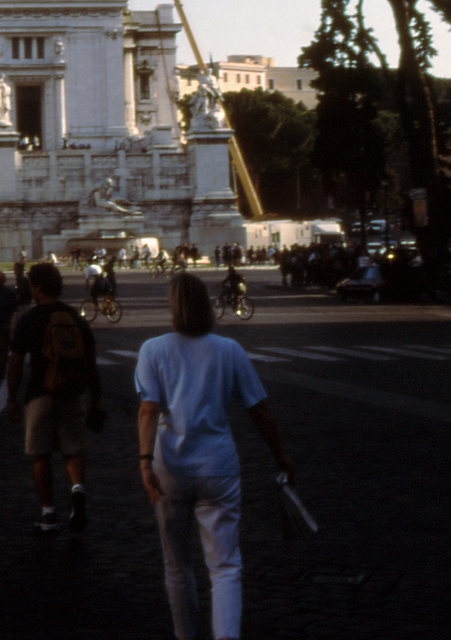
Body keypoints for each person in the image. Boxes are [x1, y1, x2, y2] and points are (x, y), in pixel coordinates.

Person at [136, 273, 294, 640]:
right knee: (225, 566)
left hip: (170, 465)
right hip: (218, 465)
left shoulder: (153, 349)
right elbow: (259, 411)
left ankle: (185, 634)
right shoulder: (229, 350)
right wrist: (280, 454)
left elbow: (147, 410)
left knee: (176, 565)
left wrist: (145, 461)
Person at [7, 261, 105, 533]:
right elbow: (91, 363)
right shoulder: (75, 317)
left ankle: (48, 511)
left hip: (39, 394)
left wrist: (12, 398)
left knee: (41, 455)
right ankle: (77, 489)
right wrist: (95, 400)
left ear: (36, 287)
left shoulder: (29, 319)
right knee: (72, 450)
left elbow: (15, 364)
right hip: (71, 392)